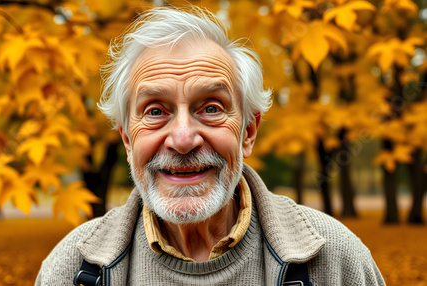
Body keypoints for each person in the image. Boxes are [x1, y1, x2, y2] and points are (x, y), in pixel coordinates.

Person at [36, 6, 385, 286]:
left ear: (248, 132)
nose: (184, 139)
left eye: (212, 108)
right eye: (155, 111)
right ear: (128, 140)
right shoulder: (70, 269)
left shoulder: (337, 261)